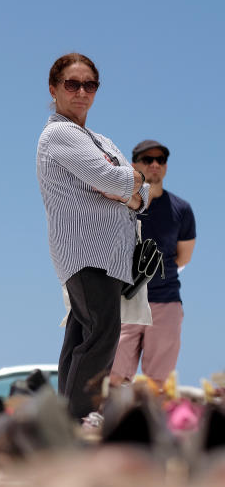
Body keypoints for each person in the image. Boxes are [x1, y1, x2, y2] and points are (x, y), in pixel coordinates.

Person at [36, 53, 150, 420]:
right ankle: (82, 414)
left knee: (80, 336)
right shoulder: (59, 134)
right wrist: (126, 182)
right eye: (72, 84)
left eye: (90, 84)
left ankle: (67, 417)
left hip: (108, 255)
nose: (81, 91)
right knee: (102, 331)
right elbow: (114, 180)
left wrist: (130, 184)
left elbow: (142, 195)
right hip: (86, 253)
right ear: (53, 90)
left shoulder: (100, 140)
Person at [110, 140, 196, 386]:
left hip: (165, 302)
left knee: (157, 384)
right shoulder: (121, 205)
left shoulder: (182, 209)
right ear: (135, 164)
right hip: (125, 300)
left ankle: (153, 425)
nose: (155, 165)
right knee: (115, 378)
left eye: (161, 160)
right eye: (148, 160)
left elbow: (184, 257)